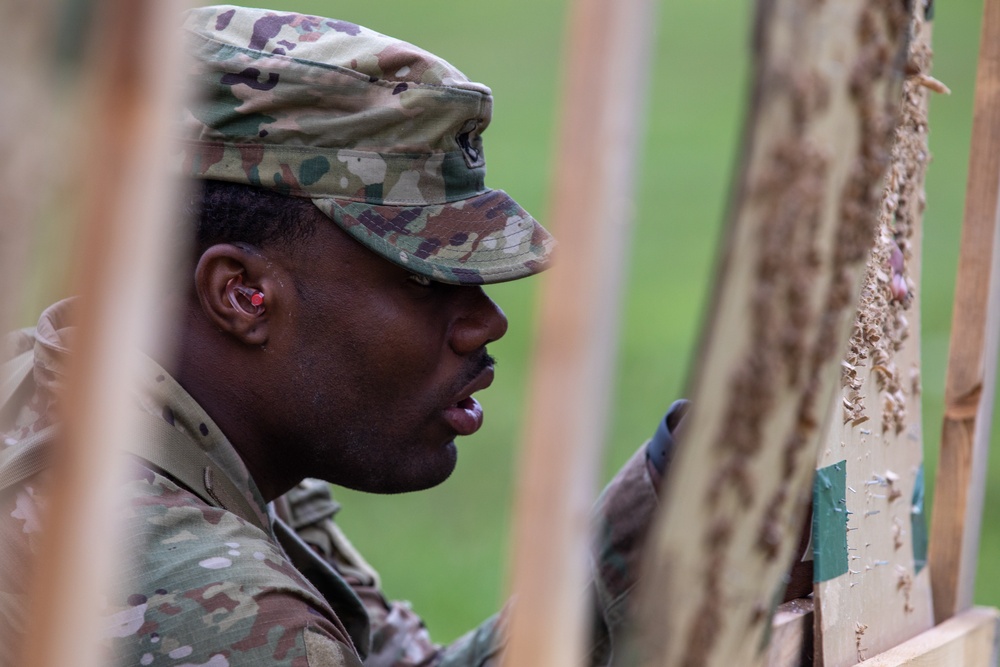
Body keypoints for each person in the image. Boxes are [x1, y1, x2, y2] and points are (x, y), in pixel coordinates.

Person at [0, 6, 685, 666]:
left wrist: (672, 495)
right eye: (422, 279)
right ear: (242, 293)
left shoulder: (117, 395)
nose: (487, 320)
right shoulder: (233, 618)